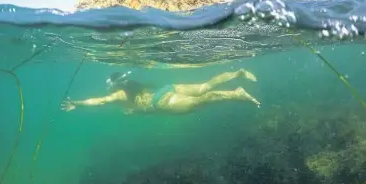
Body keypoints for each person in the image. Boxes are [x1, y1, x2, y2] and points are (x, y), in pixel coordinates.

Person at [61, 68, 260, 114]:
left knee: (201, 100)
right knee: (205, 86)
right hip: (168, 88)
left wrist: (76, 103)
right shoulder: (132, 84)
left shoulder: (119, 94)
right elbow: (138, 102)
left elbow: (100, 101)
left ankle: (236, 93)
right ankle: (238, 73)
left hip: (162, 101)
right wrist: (135, 111)